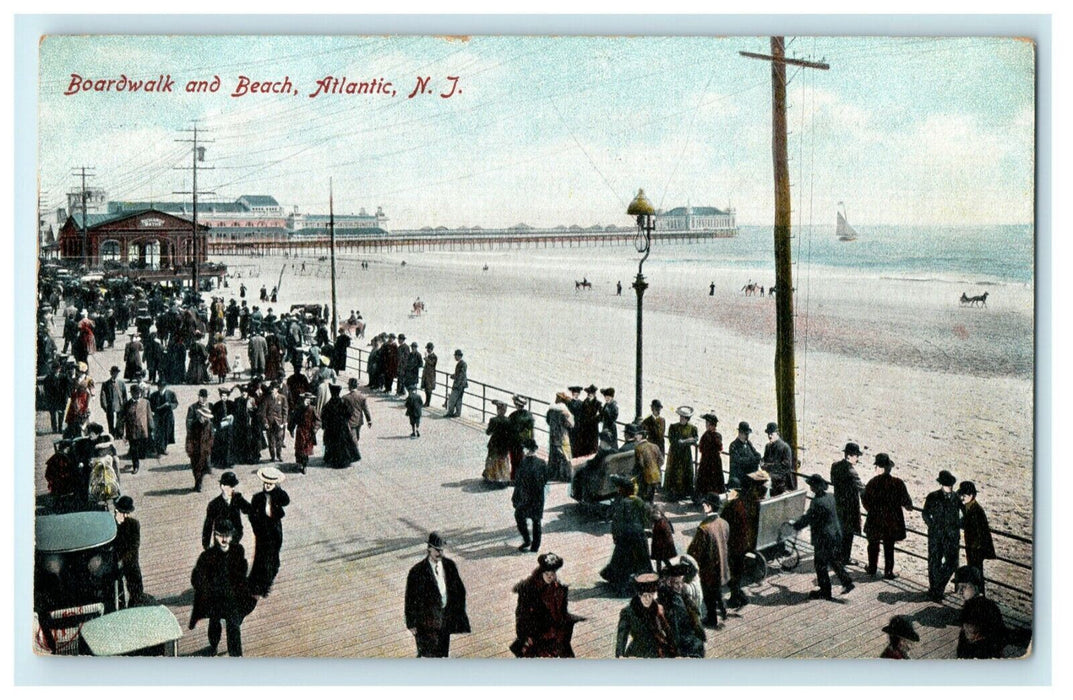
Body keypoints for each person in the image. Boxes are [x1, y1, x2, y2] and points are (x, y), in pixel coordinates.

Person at [189, 519, 257, 657]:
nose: (224, 539)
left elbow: (242, 573)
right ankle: (213, 645)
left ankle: (236, 657)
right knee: (214, 624)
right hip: (215, 598)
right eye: (221, 535)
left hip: (232, 599)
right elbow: (196, 578)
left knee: (233, 628)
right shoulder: (207, 556)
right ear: (215, 535)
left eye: (227, 535)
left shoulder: (238, 551)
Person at [404, 532, 471, 658]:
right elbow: (410, 599)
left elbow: (459, 590)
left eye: (442, 550)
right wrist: (411, 623)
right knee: (428, 654)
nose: (440, 553)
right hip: (426, 622)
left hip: (444, 619)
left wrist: (456, 612)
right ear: (429, 549)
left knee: (442, 653)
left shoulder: (449, 566)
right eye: (437, 550)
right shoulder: (417, 571)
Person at [792, 473, 855, 600]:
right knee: (833, 560)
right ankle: (847, 582)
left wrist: (795, 526)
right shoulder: (831, 497)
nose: (811, 488)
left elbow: (808, 518)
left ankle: (825, 591)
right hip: (836, 534)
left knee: (820, 564)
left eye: (811, 486)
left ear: (814, 487)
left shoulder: (817, 502)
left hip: (823, 538)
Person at [510, 553, 579, 657]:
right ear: (541, 573)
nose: (550, 577)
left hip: (555, 633)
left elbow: (562, 611)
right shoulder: (529, 589)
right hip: (536, 633)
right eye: (547, 574)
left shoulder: (560, 588)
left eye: (553, 574)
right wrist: (524, 635)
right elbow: (521, 614)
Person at [862, 453, 913, 579]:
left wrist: (871, 510)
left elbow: (864, 498)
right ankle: (888, 572)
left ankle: (872, 568)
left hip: (875, 520)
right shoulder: (898, 483)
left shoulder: (873, 482)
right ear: (889, 468)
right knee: (889, 547)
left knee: (873, 545)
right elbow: (908, 503)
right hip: (891, 522)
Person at [600, 475, 653, 596]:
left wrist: (615, 536)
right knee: (642, 559)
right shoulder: (639, 501)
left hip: (625, 536)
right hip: (639, 535)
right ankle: (646, 582)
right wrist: (647, 530)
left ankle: (620, 584)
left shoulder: (622, 503)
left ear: (623, 490)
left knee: (622, 560)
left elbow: (617, 521)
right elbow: (646, 518)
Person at [724, 470, 768, 609]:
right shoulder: (756, 501)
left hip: (735, 542)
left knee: (732, 569)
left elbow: (725, 520)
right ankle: (737, 595)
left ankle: (737, 597)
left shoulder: (736, 505)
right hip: (748, 540)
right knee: (736, 569)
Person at [686, 492, 731, 626]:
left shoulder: (704, 528)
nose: (703, 506)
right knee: (717, 590)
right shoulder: (724, 523)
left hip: (708, 569)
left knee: (708, 594)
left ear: (709, 507)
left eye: (705, 504)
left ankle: (712, 619)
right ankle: (723, 610)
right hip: (722, 564)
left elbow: (694, 551)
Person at [248, 466, 290, 597]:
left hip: (274, 531)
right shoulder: (257, 498)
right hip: (262, 532)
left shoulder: (278, 496)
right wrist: (256, 528)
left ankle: (268, 581)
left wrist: (277, 489)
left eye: (270, 484)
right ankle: (259, 584)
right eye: (265, 483)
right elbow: (251, 515)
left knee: (273, 556)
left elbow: (286, 500)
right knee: (261, 557)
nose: (267, 486)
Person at [615, 573, 677, 658]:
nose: (647, 599)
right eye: (644, 596)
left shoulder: (659, 609)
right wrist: (620, 656)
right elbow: (621, 638)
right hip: (639, 652)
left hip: (659, 652)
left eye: (650, 595)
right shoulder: (628, 612)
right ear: (639, 595)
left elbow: (668, 631)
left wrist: (674, 649)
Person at [922, 469, 961, 601]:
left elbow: (963, 514)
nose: (948, 487)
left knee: (952, 563)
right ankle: (935, 590)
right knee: (934, 562)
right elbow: (925, 513)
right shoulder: (933, 496)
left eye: (949, 485)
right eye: (946, 484)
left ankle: (939, 587)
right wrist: (932, 525)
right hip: (936, 536)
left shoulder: (956, 498)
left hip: (951, 537)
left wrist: (958, 525)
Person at [953, 565, 1007, 658]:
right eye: (959, 587)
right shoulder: (969, 605)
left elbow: (999, 637)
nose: (960, 591)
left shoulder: (986, 607)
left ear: (975, 586)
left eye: (964, 587)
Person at [658, 563, 706, 657]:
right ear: (669, 583)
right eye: (676, 583)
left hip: (688, 636)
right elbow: (674, 628)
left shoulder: (680, 594)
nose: (680, 586)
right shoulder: (673, 602)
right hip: (683, 642)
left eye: (681, 582)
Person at [830, 442, 865, 565]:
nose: (858, 458)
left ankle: (837, 556)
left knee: (839, 532)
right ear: (849, 456)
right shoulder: (851, 472)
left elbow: (832, 481)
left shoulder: (835, 466)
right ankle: (844, 558)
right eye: (856, 456)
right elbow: (861, 489)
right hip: (849, 508)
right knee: (848, 534)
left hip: (838, 503)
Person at [512, 439, 550, 552]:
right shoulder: (542, 462)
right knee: (536, 521)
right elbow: (545, 479)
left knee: (519, 516)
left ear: (527, 450)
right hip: (538, 497)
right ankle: (535, 547)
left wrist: (515, 498)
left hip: (525, 497)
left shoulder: (522, 464)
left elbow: (518, 483)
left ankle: (527, 540)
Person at [958, 481, 997, 591]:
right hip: (972, 547)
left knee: (976, 574)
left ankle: (979, 599)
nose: (961, 498)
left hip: (976, 548)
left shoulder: (976, 511)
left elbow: (978, 531)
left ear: (971, 496)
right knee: (974, 573)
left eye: (964, 495)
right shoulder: (970, 506)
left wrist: (974, 548)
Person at [202, 470, 251, 550]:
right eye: (230, 486)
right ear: (222, 486)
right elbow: (208, 525)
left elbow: (249, 509)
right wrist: (206, 544)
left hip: (235, 536)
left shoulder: (237, 498)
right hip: (220, 539)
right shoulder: (214, 504)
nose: (233, 489)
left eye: (234, 486)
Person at [113, 496, 145, 605]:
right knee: (119, 586)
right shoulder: (118, 525)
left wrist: (122, 559)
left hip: (130, 560)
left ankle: (134, 604)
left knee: (136, 587)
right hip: (121, 559)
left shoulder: (133, 524)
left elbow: (134, 545)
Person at [322, 384, 360, 469]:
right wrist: (344, 420)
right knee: (343, 444)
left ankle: (333, 459)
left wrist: (325, 425)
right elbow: (350, 412)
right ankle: (343, 460)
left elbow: (323, 415)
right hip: (342, 427)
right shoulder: (342, 402)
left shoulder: (329, 404)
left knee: (332, 443)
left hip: (331, 428)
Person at [664, 406, 698, 502]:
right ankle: (673, 493)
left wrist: (685, 441)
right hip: (675, 453)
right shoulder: (673, 427)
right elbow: (672, 440)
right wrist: (682, 442)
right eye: (681, 417)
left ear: (687, 419)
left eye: (684, 417)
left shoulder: (692, 428)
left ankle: (684, 493)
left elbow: (695, 438)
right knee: (675, 472)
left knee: (685, 472)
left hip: (686, 454)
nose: (681, 419)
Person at [185, 389, 215, 492]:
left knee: (204, 464)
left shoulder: (210, 406)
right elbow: (188, 424)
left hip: (206, 442)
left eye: (204, 397)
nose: (202, 399)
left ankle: (200, 482)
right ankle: (198, 482)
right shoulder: (192, 408)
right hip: (195, 441)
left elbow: (214, 423)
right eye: (200, 397)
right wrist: (197, 421)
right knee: (195, 464)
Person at [121, 384, 152, 475]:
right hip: (131, 430)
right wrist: (121, 432)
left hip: (143, 430)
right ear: (132, 394)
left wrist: (151, 427)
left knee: (141, 449)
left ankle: (139, 457)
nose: (137, 395)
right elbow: (122, 418)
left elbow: (149, 416)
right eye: (135, 393)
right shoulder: (127, 404)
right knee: (134, 448)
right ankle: (135, 465)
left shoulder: (146, 402)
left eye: (139, 393)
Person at [630, 423, 663, 503]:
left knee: (642, 498)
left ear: (641, 436)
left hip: (646, 477)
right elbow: (661, 461)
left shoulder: (638, 448)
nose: (635, 437)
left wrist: (632, 474)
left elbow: (640, 464)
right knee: (651, 498)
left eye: (637, 435)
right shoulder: (655, 446)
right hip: (656, 476)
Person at [483, 400, 513, 485]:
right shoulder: (509, 420)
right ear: (505, 410)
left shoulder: (493, 420)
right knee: (503, 459)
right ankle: (503, 477)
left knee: (493, 459)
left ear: (498, 410)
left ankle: (492, 477)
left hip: (494, 443)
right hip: (504, 444)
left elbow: (488, 432)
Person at [546, 392, 574, 481]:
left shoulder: (550, 411)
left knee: (553, 457)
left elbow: (547, 421)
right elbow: (570, 425)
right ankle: (565, 476)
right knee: (565, 456)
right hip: (562, 437)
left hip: (552, 436)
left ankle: (553, 475)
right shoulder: (564, 412)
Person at [761, 422, 795, 496]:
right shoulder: (768, 446)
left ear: (777, 433)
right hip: (770, 481)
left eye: (771, 434)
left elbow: (787, 466)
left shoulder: (785, 447)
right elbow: (765, 460)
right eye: (768, 434)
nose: (769, 436)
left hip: (782, 483)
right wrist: (762, 463)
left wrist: (769, 466)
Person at [696, 412, 725, 498]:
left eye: (707, 423)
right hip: (713, 461)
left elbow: (701, 448)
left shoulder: (707, 435)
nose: (706, 425)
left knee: (707, 480)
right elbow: (720, 448)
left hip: (708, 461)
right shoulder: (717, 435)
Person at [289, 393, 319, 473]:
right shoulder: (298, 408)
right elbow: (293, 420)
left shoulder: (312, 409)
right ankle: (299, 463)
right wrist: (291, 429)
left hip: (309, 431)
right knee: (299, 448)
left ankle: (304, 465)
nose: (307, 400)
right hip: (300, 430)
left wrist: (315, 429)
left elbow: (318, 421)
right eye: (305, 399)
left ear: (311, 400)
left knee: (306, 449)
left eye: (309, 399)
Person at [258, 382, 289, 463]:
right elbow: (263, 412)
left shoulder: (282, 398)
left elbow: (285, 411)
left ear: (277, 389)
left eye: (274, 388)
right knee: (271, 441)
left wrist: (284, 422)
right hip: (270, 423)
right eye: (271, 388)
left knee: (279, 440)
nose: (272, 390)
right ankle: (272, 456)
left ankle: (279, 456)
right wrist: (265, 423)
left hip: (279, 423)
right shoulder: (267, 399)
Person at [148, 378, 178, 456]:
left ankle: (163, 448)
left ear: (165, 386)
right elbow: (150, 405)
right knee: (158, 433)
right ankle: (159, 449)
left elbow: (175, 403)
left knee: (166, 432)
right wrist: (154, 410)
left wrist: (170, 405)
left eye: (162, 386)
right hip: (158, 416)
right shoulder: (154, 395)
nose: (160, 387)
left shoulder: (171, 394)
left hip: (168, 416)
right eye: (159, 386)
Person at [728, 421, 761, 490]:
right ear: (740, 433)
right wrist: (752, 460)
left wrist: (754, 459)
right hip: (739, 476)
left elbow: (757, 455)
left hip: (749, 474)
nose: (747, 436)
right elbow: (739, 461)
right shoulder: (734, 446)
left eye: (748, 434)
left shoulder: (748, 443)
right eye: (746, 434)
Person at [507, 395, 534, 480]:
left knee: (514, 461)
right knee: (524, 460)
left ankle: (514, 478)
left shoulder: (513, 415)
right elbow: (531, 430)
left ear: (516, 404)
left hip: (515, 442)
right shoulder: (529, 415)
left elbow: (509, 430)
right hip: (526, 440)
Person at [99, 366, 128, 438]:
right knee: (111, 421)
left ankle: (120, 434)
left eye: (116, 373)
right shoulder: (106, 384)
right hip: (110, 406)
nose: (115, 374)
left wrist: (125, 405)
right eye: (114, 373)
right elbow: (103, 396)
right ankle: (112, 434)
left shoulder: (121, 383)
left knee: (120, 420)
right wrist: (105, 406)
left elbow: (124, 395)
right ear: (111, 373)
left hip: (119, 405)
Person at [574, 385, 602, 457]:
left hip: (593, 427)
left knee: (592, 444)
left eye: (591, 393)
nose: (589, 395)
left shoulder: (598, 403)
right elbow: (581, 414)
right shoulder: (584, 402)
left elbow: (602, 415)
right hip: (584, 427)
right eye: (588, 393)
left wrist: (595, 419)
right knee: (584, 444)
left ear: (594, 394)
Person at [649, 504, 677, 573]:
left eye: (657, 513)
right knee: (661, 560)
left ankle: (664, 572)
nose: (655, 514)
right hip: (659, 545)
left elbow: (667, 536)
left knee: (661, 559)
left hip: (662, 546)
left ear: (661, 513)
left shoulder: (663, 523)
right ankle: (670, 570)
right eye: (654, 513)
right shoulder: (658, 521)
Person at [444, 349, 468, 417]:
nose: (455, 357)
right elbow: (460, 374)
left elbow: (461, 375)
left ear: (459, 356)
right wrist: (454, 376)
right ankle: (457, 413)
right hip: (461, 384)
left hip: (459, 385)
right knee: (458, 399)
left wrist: (456, 381)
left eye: (456, 356)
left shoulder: (462, 364)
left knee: (453, 399)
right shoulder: (461, 363)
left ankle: (451, 412)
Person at [421, 342, 438, 407]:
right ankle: (426, 402)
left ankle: (427, 403)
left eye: (428, 348)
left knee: (429, 389)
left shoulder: (434, 356)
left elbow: (432, 364)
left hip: (430, 376)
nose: (427, 350)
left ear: (431, 349)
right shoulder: (429, 356)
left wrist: (426, 359)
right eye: (427, 348)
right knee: (426, 389)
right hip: (426, 375)